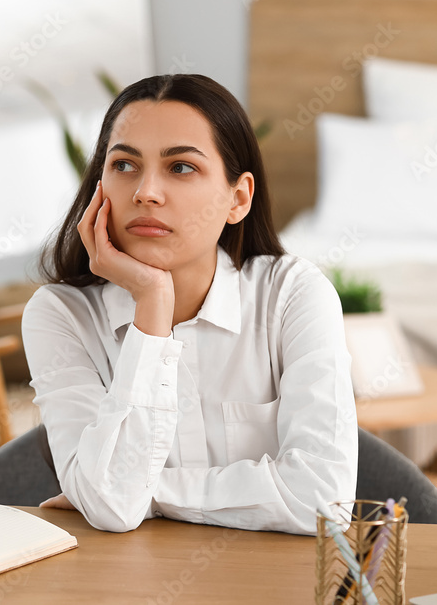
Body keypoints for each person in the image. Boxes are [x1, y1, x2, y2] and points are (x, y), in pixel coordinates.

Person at [22, 73, 357, 535]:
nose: (145, 192)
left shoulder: (293, 295)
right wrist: (152, 305)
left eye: (180, 167)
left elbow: (324, 500)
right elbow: (113, 509)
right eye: (123, 165)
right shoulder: (60, 315)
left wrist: (147, 493)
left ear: (237, 199)